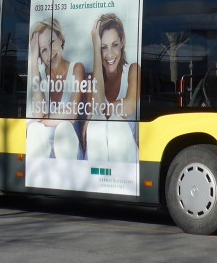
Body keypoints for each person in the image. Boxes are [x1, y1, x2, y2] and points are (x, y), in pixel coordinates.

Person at [26, 18, 84, 160]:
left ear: (60, 38)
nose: (50, 52)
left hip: (70, 151)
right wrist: (33, 62)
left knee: (64, 127)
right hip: (44, 151)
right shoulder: (39, 76)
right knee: (33, 129)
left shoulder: (76, 68)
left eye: (51, 43)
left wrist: (42, 120)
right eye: (43, 50)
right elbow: (38, 113)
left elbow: (71, 114)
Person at [85, 12, 139, 162]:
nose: (109, 54)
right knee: (97, 121)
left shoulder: (133, 70)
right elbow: (96, 109)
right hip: (98, 157)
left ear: (122, 42)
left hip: (126, 158)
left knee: (115, 122)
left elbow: (128, 107)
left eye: (114, 45)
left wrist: (104, 111)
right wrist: (96, 50)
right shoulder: (92, 78)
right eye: (103, 47)